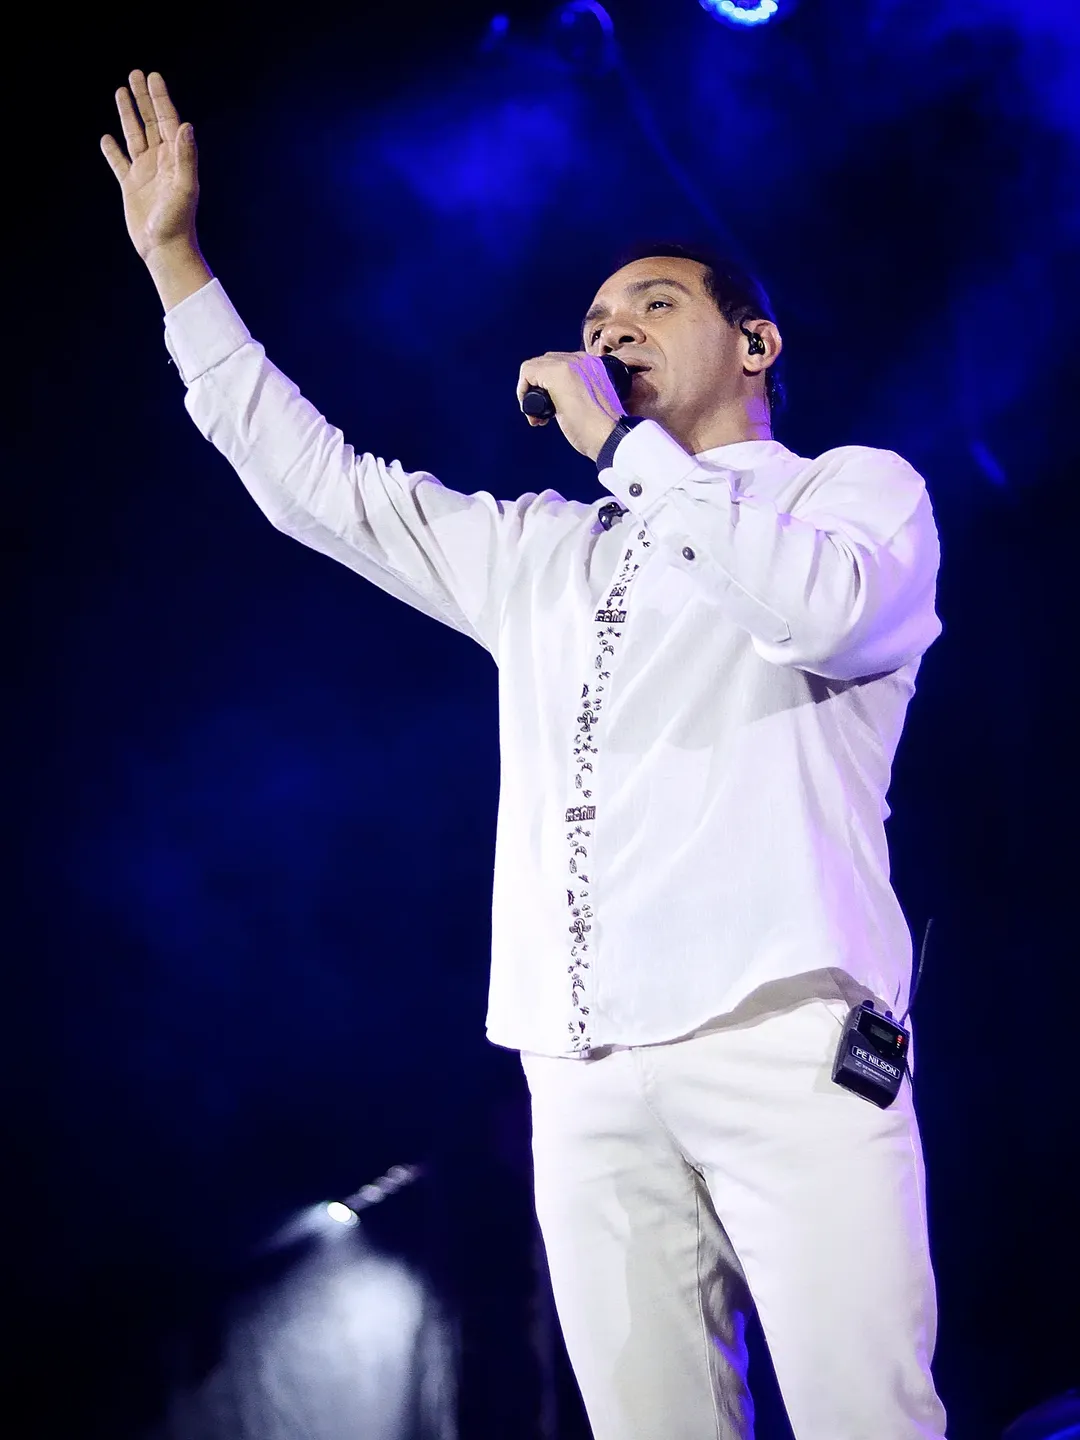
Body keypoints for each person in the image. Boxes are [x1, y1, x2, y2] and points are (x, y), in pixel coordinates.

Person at [102, 70, 949, 1440]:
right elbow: (320, 486)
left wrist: (625, 449)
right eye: (596, 323)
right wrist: (176, 265)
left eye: (652, 307)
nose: (611, 333)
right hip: (581, 1064)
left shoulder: (850, 493)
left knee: (868, 1417)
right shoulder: (545, 550)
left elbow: (822, 615)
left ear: (755, 343)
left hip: (786, 1033)